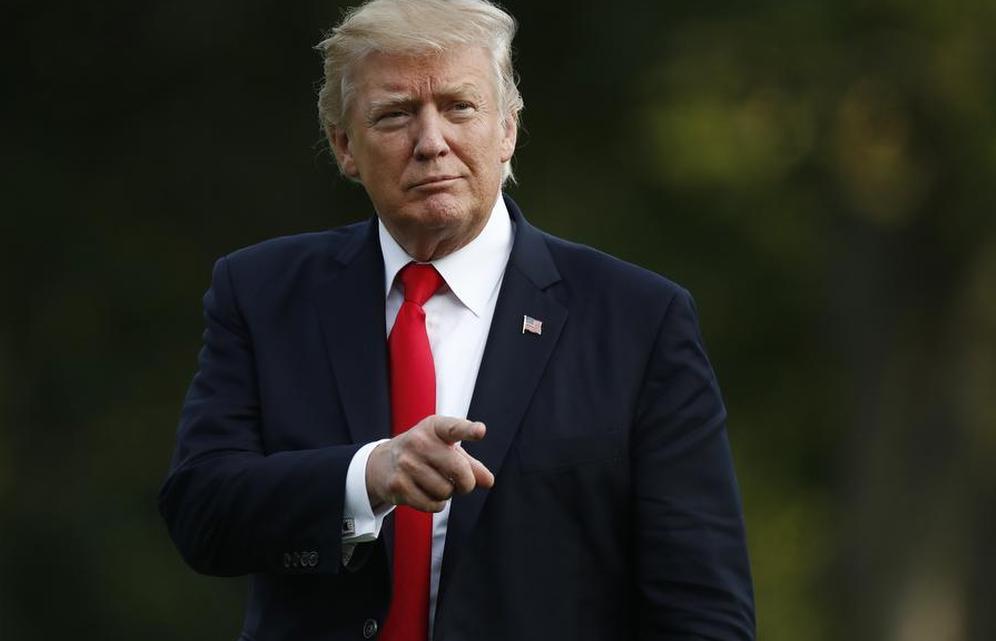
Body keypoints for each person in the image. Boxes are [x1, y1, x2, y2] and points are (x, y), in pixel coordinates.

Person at [159, 0, 755, 639]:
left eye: (459, 107)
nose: (431, 143)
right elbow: (202, 513)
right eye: (394, 115)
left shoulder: (638, 320)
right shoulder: (263, 292)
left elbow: (703, 609)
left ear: (508, 131)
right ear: (344, 148)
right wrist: (366, 477)